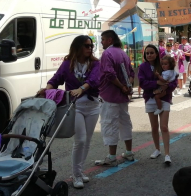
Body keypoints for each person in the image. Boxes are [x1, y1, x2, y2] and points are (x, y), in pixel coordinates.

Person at [39, 35, 100, 189]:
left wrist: (81, 88)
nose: (89, 48)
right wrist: (46, 90)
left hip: (93, 106)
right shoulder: (68, 63)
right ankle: (76, 175)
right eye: (86, 45)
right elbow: (56, 78)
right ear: (78, 47)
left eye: (91, 46)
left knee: (86, 141)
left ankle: (79, 170)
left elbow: (94, 80)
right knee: (80, 140)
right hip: (75, 106)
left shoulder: (95, 63)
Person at [94, 30, 135, 167]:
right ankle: (129, 152)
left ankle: (112, 156)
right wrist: (127, 86)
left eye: (103, 39)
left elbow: (109, 74)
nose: (102, 42)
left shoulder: (107, 53)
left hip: (110, 95)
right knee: (125, 122)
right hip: (122, 96)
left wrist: (121, 87)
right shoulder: (123, 53)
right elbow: (131, 72)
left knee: (110, 123)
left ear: (110, 40)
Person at [138, 44, 178, 164]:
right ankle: (157, 149)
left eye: (152, 52)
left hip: (164, 97)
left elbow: (174, 79)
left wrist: (166, 86)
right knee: (154, 127)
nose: (149, 55)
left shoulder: (163, 64)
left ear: (156, 54)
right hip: (150, 98)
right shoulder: (142, 67)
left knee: (164, 127)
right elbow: (142, 83)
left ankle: (167, 154)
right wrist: (156, 83)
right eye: (147, 53)